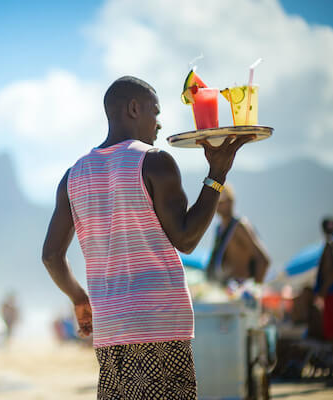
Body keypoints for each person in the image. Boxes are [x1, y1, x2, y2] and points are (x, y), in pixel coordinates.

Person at [42, 76, 254, 399]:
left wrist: (79, 299)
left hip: (110, 331)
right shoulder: (154, 162)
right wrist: (217, 175)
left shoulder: (72, 177)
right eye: (155, 112)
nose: (159, 124)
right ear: (133, 108)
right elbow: (186, 239)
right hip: (160, 326)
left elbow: (51, 257)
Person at [206, 184, 270, 286]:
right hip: (226, 288)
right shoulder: (219, 229)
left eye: (221, 201)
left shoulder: (239, 226)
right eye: (215, 201)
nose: (217, 205)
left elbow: (263, 260)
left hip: (241, 290)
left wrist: (254, 291)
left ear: (231, 201)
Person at [315, 217, 333, 341]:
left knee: (330, 327)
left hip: (330, 293)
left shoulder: (329, 247)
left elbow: (329, 273)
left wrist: (322, 292)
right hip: (329, 291)